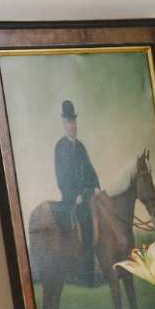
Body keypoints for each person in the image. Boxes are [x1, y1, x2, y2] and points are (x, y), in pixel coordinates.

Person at [51, 100, 100, 266]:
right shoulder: (60, 147)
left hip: (87, 194)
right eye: (69, 122)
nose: (72, 126)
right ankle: (88, 272)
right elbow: (61, 178)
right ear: (64, 124)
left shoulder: (81, 147)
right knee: (85, 218)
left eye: (74, 122)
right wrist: (74, 196)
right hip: (72, 199)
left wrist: (97, 187)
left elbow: (90, 170)